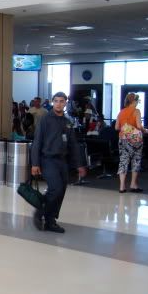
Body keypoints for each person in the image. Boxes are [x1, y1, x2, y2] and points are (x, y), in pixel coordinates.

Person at [30, 92, 87, 234]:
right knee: (55, 188)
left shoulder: (67, 122)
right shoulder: (45, 119)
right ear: (53, 102)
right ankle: (41, 210)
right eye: (56, 101)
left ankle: (50, 221)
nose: (59, 104)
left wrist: (79, 164)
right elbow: (37, 142)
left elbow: (73, 144)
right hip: (47, 159)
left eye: (62, 101)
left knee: (61, 190)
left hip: (62, 161)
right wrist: (35, 164)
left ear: (65, 103)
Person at [115, 92, 148, 193]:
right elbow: (139, 126)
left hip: (122, 139)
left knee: (123, 161)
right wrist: (145, 130)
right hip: (135, 140)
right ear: (134, 101)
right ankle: (133, 185)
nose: (138, 102)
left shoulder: (121, 112)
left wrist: (125, 128)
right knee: (136, 160)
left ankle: (122, 187)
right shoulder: (136, 111)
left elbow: (116, 127)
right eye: (137, 100)